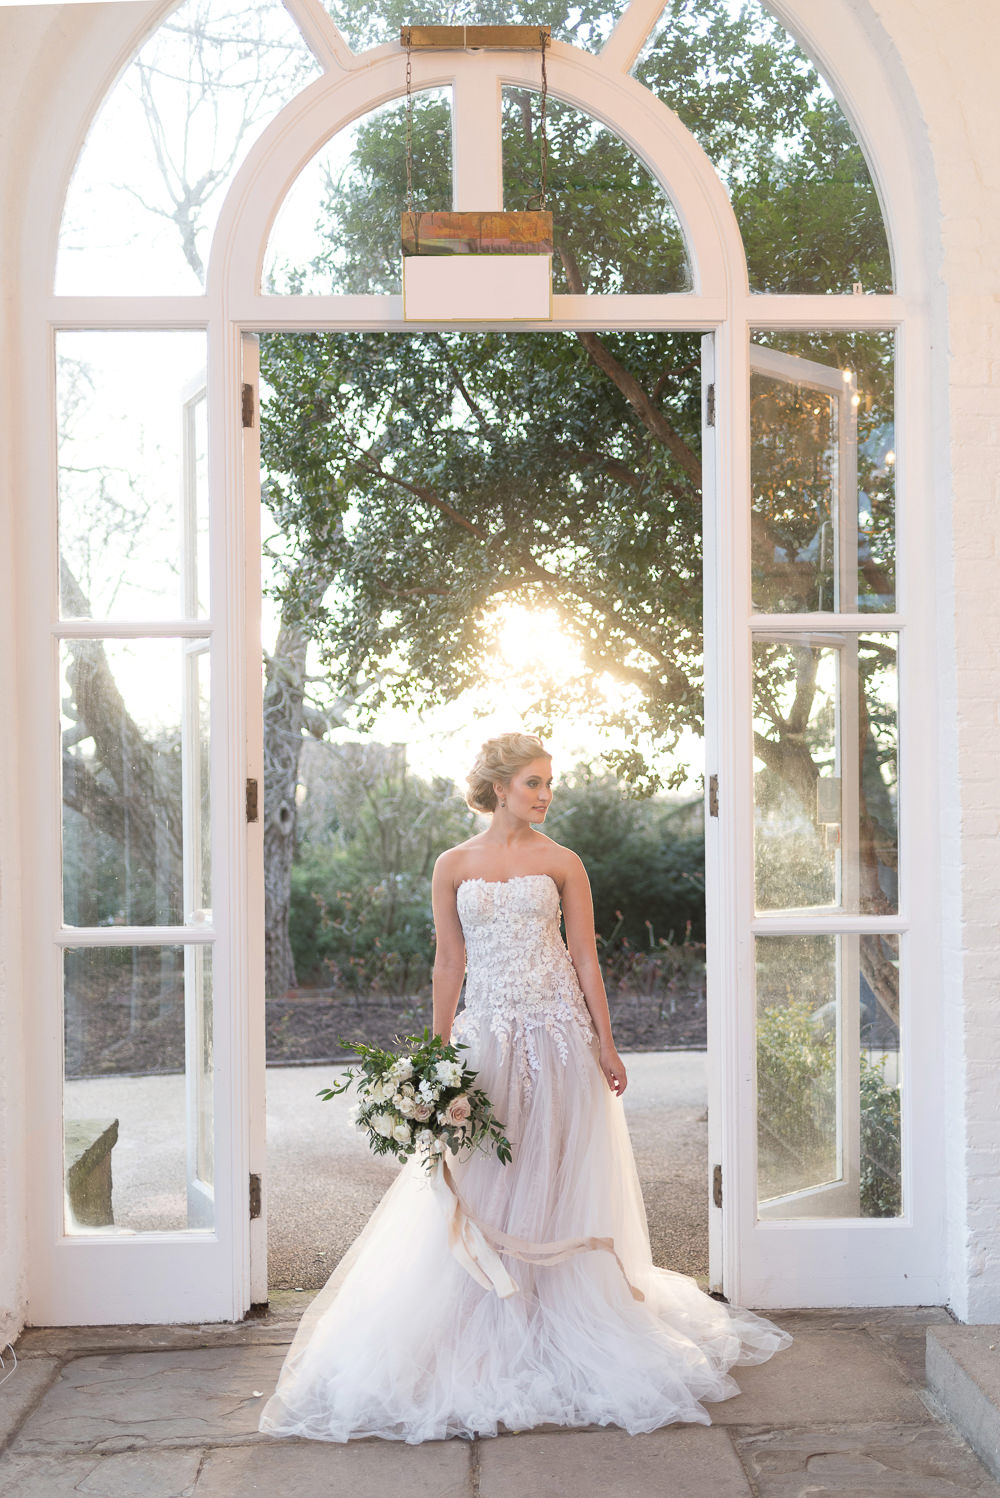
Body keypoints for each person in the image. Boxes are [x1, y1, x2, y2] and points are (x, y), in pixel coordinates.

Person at [259, 731, 790, 1444]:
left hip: (560, 1037)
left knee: (556, 1170)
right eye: (535, 783)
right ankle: (486, 1313)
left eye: (549, 783)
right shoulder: (453, 865)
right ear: (500, 787)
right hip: (488, 1040)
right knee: (482, 1176)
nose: (546, 795)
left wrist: (606, 1038)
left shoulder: (563, 862)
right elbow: (449, 962)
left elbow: (586, 958)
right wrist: (435, 1052)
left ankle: (562, 1308)